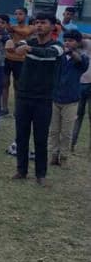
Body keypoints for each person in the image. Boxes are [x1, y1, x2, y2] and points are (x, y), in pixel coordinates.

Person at [7, 12, 64, 186]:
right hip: (24, 96)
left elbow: (46, 54)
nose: (39, 25)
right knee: (21, 136)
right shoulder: (28, 42)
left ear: (52, 26)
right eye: (37, 22)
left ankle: (41, 174)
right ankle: (21, 170)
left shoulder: (57, 47)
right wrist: (15, 46)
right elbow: (18, 46)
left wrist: (28, 50)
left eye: (43, 22)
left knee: (40, 138)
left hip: (43, 98)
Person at [49, 29, 88, 166]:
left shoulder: (83, 58)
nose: (67, 43)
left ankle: (64, 157)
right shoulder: (60, 56)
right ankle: (53, 154)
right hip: (55, 98)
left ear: (78, 43)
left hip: (71, 100)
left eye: (70, 41)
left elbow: (80, 61)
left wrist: (70, 52)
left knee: (66, 132)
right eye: (65, 40)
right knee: (54, 130)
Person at [2, 7, 34, 116]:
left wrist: (12, 28)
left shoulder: (30, 27)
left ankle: (18, 109)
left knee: (18, 86)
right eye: (16, 14)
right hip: (8, 58)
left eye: (20, 14)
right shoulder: (13, 27)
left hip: (20, 60)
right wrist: (10, 27)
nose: (17, 16)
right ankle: (4, 108)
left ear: (26, 15)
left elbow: (25, 32)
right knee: (4, 83)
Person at [71, 35, 91, 153]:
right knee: (77, 116)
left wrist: (82, 35)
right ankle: (72, 144)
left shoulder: (88, 43)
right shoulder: (72, 50)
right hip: (79, 85)